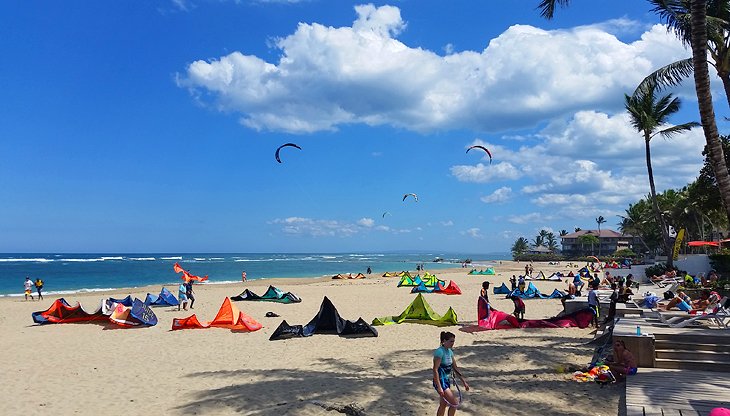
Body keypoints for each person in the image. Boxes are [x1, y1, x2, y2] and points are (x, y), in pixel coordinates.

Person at [433, 331, 469, 415]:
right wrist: (439, 387)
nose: (452, 343)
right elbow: (435, 370)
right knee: (455, 403)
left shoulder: (450, 352)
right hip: (441, 381)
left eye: (453, 341)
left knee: (443, 404)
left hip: (446, 380)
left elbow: (455, 368)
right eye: (451, 341)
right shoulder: (439, 352)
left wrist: (464, 382)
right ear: (444, 341)